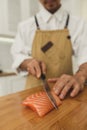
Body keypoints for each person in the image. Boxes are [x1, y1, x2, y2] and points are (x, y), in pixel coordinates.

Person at [11, 0, 87, 100]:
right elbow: (17, 54)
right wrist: (27, 62)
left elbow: (85, 54)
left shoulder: (80, 24)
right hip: (33, 92)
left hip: (65, 92)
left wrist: (81, 75)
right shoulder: (25, 26)